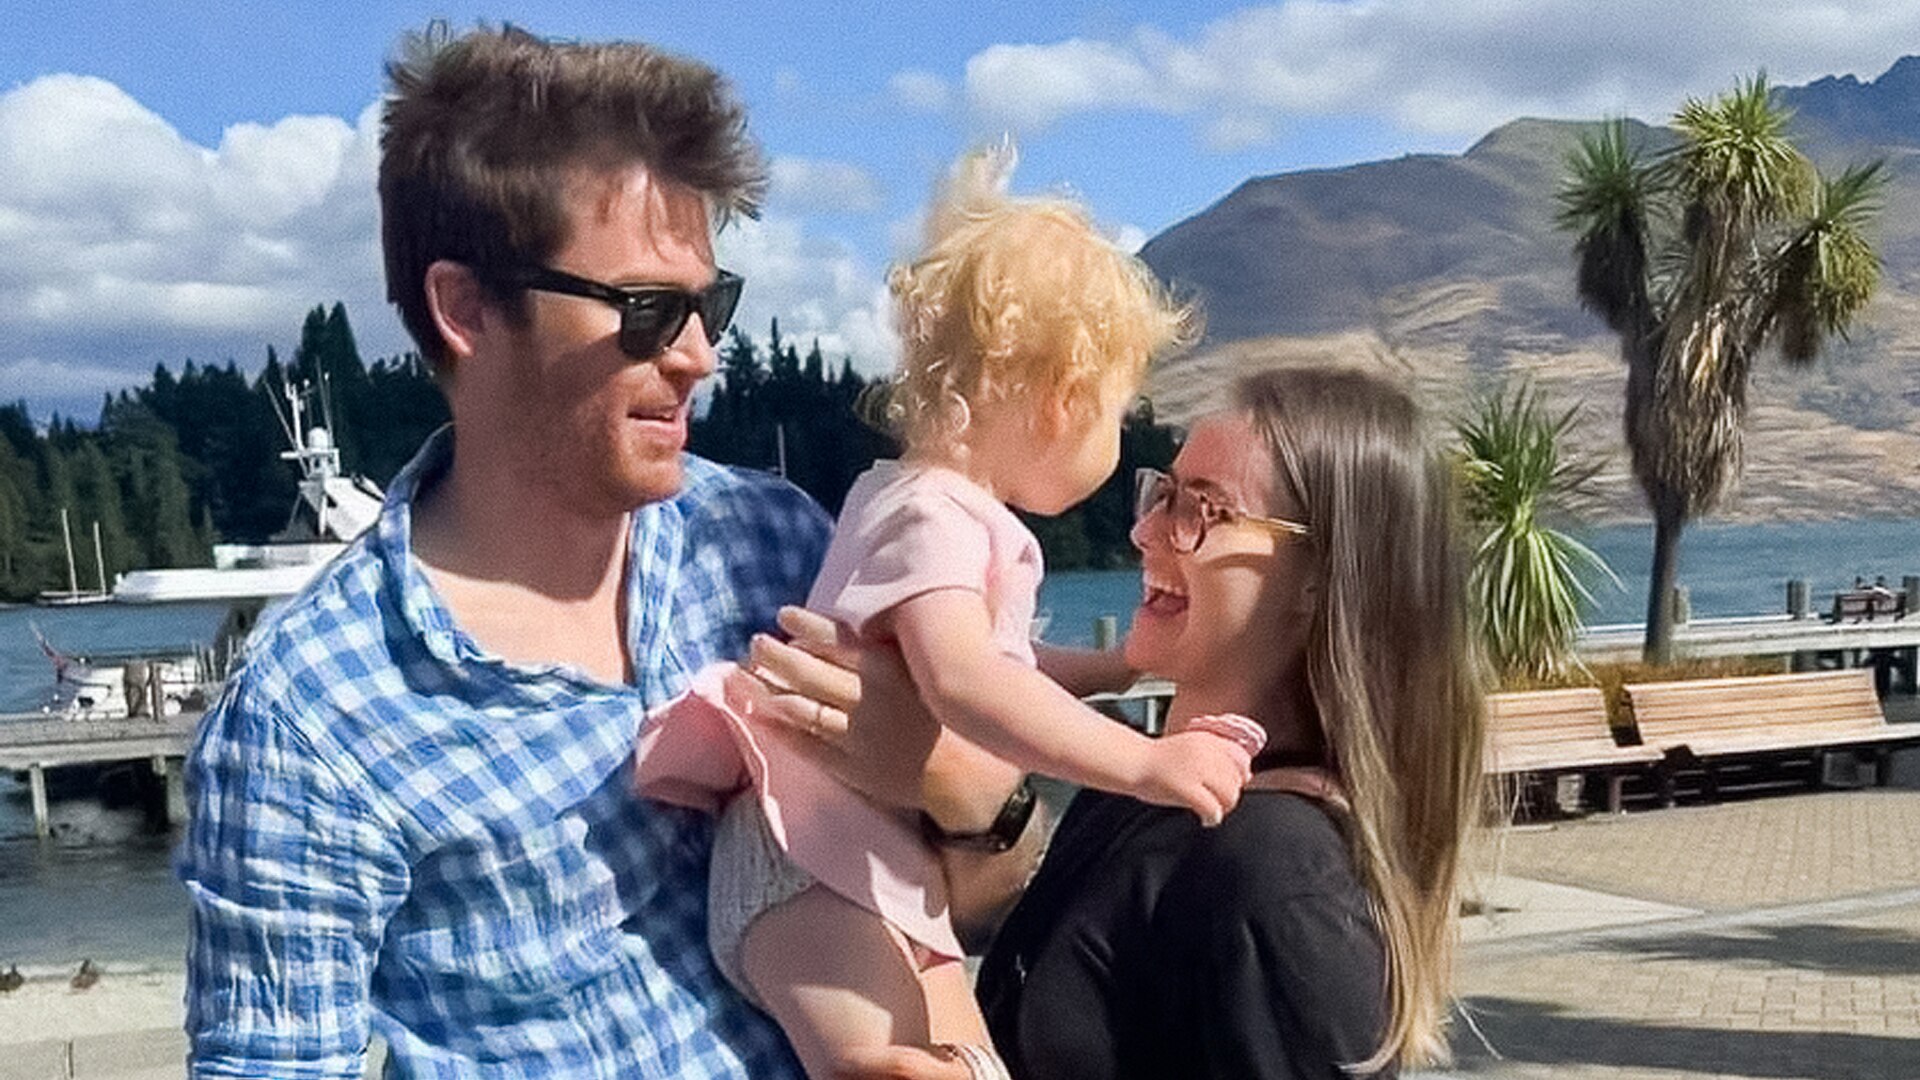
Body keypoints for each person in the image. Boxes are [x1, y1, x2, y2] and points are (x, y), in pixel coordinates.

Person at [177, 26, 826, 1077]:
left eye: (709, 304)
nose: (700, 355)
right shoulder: (316, 714)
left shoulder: (772, 544)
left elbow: (974, 896)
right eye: (648, 310)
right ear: (466, 307)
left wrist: (964, 793)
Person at [633, 147, 1260, 1080]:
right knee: (882, 1064)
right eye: (1116, 415)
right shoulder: (935, 517)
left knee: (970, 1060)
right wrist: (1145, 763)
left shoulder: (924, 505)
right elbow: (964, 684)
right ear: (1062, 401)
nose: (1116, 442)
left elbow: (998, 668)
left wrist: (1112, 670)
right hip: (808, 864)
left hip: (857, 865)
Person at [738, 365, 1486, 1079]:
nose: (1145, 532)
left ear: (1321, 579)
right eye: (1162, 494)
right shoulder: (1137, 788)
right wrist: (950, 782)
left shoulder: (1279, 877)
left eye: (1203, 510)